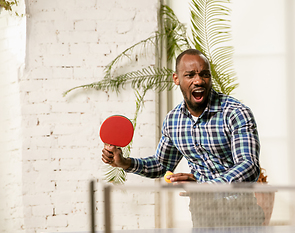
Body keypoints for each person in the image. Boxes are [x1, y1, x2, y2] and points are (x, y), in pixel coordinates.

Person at [102, 48, 261, 184]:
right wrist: (124, 163)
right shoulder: (173, 121)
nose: (199, 81)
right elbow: (161, 165)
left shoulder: (235, 113)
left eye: (204, 74)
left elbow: (249, 166)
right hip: (201, 208)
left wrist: (207, 187)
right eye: (190, 75)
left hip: (240, 207)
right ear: (176, 79)